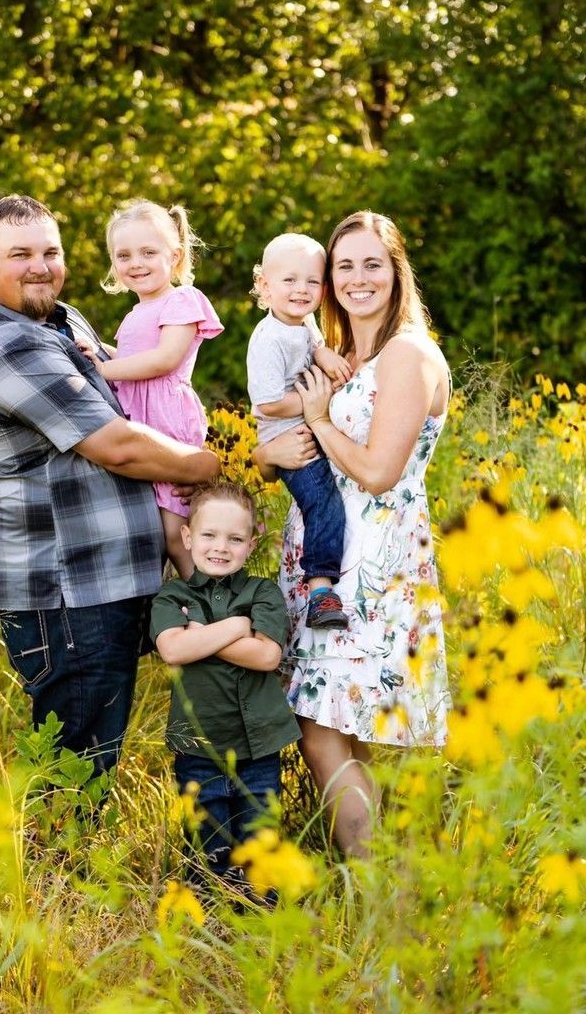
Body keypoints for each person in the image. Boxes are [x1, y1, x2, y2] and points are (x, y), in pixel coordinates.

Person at [0, 195, 221, 778]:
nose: (40, 265)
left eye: (50, 251)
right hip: (66, 595)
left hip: (102, 582)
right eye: (20, 254)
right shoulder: (9, 343)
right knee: (77, 774)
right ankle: (55, 868)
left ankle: (68, 862)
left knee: (97, 756)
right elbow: (117, 445)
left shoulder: (58, 317)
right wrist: (211, 469)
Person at [259, 210, 452, 858]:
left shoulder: (408, 353)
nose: (357, 278)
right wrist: (272, 454)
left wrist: (315, 415)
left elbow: (375, 471)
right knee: (336, 724)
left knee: (325, 727)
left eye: (372, 263)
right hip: (328, 564)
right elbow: (293, 445)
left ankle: (386, 897)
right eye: (344, 265)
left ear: (396, 270)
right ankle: (383, 898)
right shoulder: (345, 355)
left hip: (375, 567)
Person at [151, 483, 298, 885]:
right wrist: (235, 628)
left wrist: (204, 635)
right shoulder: (172, 595)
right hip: (199, 746)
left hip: (258, 746)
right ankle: (210, 920)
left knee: (260, 841)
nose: (220, 547)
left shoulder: (263, 593)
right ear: (187, 537)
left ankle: (259, 922)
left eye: (234, 538)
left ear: (251, 545)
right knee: (207, 841)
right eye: (209, 535)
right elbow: (173, 649)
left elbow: (267, 655)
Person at [78, 199, 223, 579]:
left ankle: (211, 601)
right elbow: (133, 359)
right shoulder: (134, 313)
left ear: (174, 256)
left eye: (148, 252)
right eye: (123, 255)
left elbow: (164, 360)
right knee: (152, 527)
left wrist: (104, 368)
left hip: (166, 420)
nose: (135, 263)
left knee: (175, 532)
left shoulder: (181, 300)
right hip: (139, 419)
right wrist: (97, 351)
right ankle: (171, 610)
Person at [246, 232, 353, 628]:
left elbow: (313, 340)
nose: (301, 289)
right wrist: (315, 403)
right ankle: (321, 591)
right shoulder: (268, 338)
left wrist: (324, 352)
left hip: (309, 427)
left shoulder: (302, 322)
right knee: (322, 502)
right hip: (288, 439)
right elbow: (267, 403)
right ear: (264, 285)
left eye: (312, 281)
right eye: (289, 280)